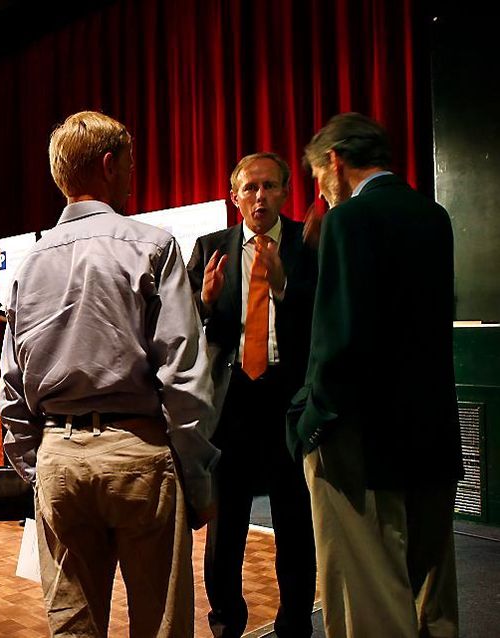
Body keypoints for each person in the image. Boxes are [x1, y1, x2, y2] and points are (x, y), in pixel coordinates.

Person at [0, 111, 219, 637]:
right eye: (129, 164)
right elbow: (183, 375)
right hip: (139, 456)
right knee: (160, 625)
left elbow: (11, 391)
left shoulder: (28, 265)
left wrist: (39, 470)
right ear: (107, 165)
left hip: (58, 460)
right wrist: (197, 478)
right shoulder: (153, 245)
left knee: (73, 625)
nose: (131, 174)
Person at [289, 112, 462, 638]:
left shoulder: (349, 220)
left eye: (320, 177)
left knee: (367, 596)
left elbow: (338, 338)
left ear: (335, 162)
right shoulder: (433, 216)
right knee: (433, 592)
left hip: (361, 444)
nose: (322, 190)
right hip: (431, 431)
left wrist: (309, 422)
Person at [186, 153, 317, 638]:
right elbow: (180, 328)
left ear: (285, 191)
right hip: (231, 401)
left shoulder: (308, 244)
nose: (260, 197)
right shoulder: (208, 249)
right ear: (233, 196)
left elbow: (323, 319)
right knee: (226, 528)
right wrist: (204, 301)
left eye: (270, 186)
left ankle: (295, 624)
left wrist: (285, 289)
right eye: (250, 188)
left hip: (290, 400)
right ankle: (225, 624)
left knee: (295, 522)